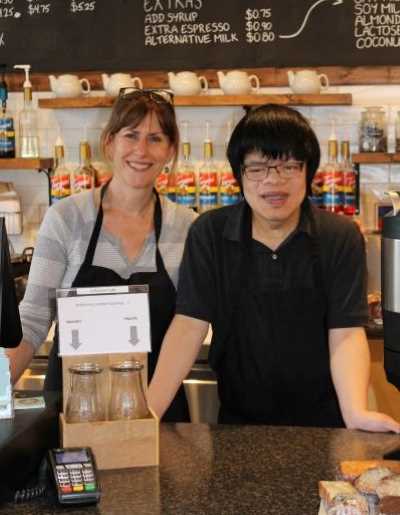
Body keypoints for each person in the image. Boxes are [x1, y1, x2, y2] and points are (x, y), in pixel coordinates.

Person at [149, 104, 400, 432]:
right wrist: (148, 412)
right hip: (236, 426)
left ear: (308, 172)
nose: (274, 181)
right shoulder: (210, 233)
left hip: (326, 426)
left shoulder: (339, 236)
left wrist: (355, 413)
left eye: (289, 167)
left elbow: (346, 333)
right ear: (239, 174)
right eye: (257, 168)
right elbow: (188, 326)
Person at [7, 88, 197, 422]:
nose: (141, 150)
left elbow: (189, 325)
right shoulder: (67, 218)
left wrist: (145, 416)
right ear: (109, 143)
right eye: (131, 135)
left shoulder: (186, 227)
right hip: (72, 410)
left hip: (156, 409)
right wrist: (1, 381)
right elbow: (33, 319)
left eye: (155, 138)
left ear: (170, 151)